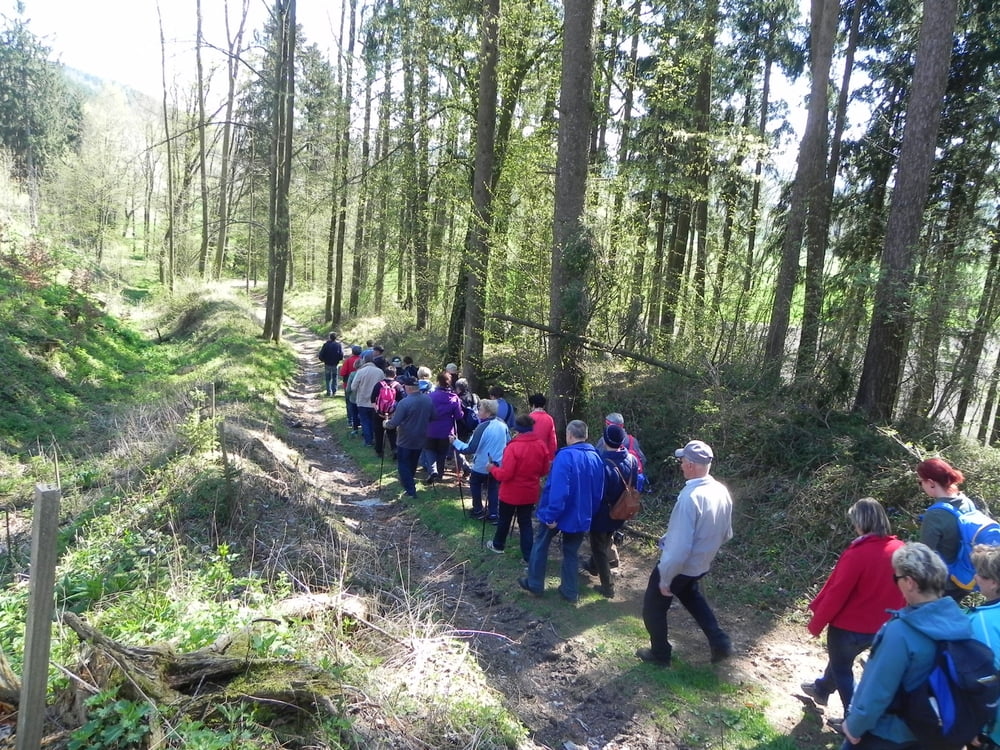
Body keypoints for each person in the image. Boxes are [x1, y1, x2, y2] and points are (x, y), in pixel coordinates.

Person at [841, 542, 973, 749]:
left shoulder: (901, 631)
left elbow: (878, 689)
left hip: (889, 734)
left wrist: (855, 726)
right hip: (935, 733)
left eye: (897, 578)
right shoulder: (962, 623)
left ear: (910, 582)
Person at [800, 498, 905, 722]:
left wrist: (817, 624)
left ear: (861, 522)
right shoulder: (901, 550)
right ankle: (821, 689)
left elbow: (837, 592)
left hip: (849, 628)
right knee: (840, 661)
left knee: (843, 669)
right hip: (883, 626)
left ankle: (853, 720)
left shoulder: (858, 553)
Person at [638, 439, 733, 666]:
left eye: (682, 461)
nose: (680, 465)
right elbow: (726, 533)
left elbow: (679, 548)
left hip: (680, 567)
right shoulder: (721, 491)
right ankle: (720, 642)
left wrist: (666, 577)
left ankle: (660, 654)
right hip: (701, 564)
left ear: (690, 465)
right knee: (692, 597)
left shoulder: (690, 497)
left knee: (653, 608)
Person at [520, 420, 604, 603]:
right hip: (581, 514)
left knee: (541, 544)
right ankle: (570, 591)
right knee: (571, 552)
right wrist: (591, 513)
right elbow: (598, 492)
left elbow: (559, 489)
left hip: (559, 513)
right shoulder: (596, 458)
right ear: (586, 435)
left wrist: (551, 515)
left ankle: (535, 583)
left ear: (570, 435)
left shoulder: (565, 456)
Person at [486, 414, 552, 562]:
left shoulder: (513, 447)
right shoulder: (541, 445)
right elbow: (544, 470)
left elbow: (505, 475)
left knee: (504, 519)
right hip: (529, 491)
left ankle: (498, 545)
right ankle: (528, 556)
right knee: (525, 523)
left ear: (517, 430)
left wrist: (492, 469)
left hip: (511, 492)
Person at [585, 424, 638, 599]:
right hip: (621, 511)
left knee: (598, 547)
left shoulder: (601, 463)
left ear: (605, 440)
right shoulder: (632, 460)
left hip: (602, 513)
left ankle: (608, 587)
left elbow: (596, 493)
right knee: (606, 539)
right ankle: (592, 566)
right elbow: (635, 485)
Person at [917, 457, 977, 601]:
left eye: (920, 482)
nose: (921, 486)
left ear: (931, 483)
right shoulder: (967, 502)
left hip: (945, 584)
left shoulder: (935, 514)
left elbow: (924, 554)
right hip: (967, 577)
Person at [451, 400, 510, 521]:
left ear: (488, 412)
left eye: (480, 410)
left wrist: (455, 442)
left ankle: (477, 509)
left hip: (482, 465)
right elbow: (509, 442)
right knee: (493, 488)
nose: (478, 412)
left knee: (475, 484)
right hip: (497, 464)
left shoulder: (482, 427)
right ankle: (493, 513)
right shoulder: (502, 424)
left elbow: (470, 449)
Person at [968, 544, 1000, 750]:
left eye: (980, 574)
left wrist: (978, 725)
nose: (976, 577)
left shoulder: (981, 621)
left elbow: (989, 680)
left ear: (994, 582)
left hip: (993, 731)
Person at [383, 376, 435, 499]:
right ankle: (409, 487)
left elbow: (394, 422)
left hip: (405, 439)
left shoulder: (404, 403)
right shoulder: (428, 400)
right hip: (421, 437)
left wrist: (386, 424)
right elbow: (434, 417)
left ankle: (410, 490)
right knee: (413, 463)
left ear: (408, 388)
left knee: (403, 464)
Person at [424, 372, 463, 484]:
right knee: (442, 453)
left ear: (438, 381)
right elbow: (459, 416)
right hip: (446, 431)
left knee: (429, 449)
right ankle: (439, 475)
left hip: (430, 429)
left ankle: (433, 470)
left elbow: (426, 412)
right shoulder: (454, 398)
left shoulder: (430, 396)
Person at [352, 353, 386, 448]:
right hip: (375, 402)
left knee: (365, 421)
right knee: (373, 421)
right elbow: (384, 386)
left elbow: (353, 387)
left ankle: (368, 441)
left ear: (364, 360)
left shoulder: (361, 371)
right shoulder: (380, 372)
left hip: (362, 401)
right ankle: (375, 439)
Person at [527, 393, 558, 463]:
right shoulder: (549, 419)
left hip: (529, 455)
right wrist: (552, 458)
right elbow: (552, 441)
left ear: (533, 405)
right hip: (544, 455)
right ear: (544, 405)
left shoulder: (528, 418)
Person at [318, 332, 343, 396]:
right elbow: (341, 355)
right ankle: (334, 391)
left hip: (327, 363)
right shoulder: (338, 345)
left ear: (330, 337)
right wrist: (338, 360)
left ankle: (328, 391)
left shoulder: (325, 345)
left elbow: (321, 354)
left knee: (328, 378)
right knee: (335, 377)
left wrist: (323, 360)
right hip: (335, 364)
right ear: (335, 338)